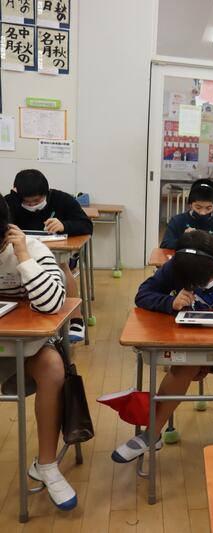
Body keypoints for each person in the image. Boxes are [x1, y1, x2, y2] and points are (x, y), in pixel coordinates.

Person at [112, 230, 213, 463]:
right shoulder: (179, 265)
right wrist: (170, 302)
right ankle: (152, 434)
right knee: (182, 366)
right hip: (190, 347)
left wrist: (211, 358)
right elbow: (143, 294)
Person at [0, 197, 76, 510]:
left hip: (26, 348)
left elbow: (52, 304)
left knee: (53, 366)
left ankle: (46, 464)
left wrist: (23, 257)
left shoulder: (33, 249)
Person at [5, 169, 93, 343]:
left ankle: (76, 318)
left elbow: (86, 225)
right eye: (27, 202)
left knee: (62, 267)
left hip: (53, 252)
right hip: (19, 253)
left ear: (46, 193)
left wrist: (64, 225)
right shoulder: (10, 202)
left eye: (37, 201)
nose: (32, 205)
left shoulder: (62, 199)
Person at [160, 179, 213, 249]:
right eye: (198, 207)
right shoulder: (177, 221)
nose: (203, 212)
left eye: (208, 208)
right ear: (190, 204)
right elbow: (165, 245)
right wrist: (184, 239)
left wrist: (205, 241)